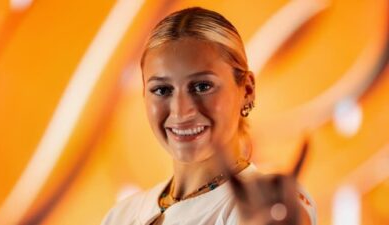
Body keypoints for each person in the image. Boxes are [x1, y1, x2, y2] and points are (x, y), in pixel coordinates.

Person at [101, 7, 316, 225]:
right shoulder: (120, 215)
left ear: (247, 90)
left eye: (202, 86)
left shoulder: (267, 203)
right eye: (162, 90)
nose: (180, 110)